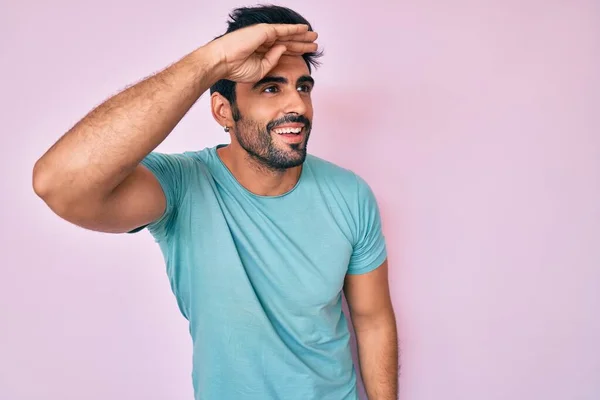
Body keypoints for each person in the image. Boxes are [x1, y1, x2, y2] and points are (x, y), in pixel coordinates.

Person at [32, 4, 399, 400]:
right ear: (224, 110)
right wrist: (213, 59)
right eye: (270, 87)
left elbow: (372, 319)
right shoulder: (181, 186)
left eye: (303, 87)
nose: (297, 105)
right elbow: (58, 182)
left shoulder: (350, 194)